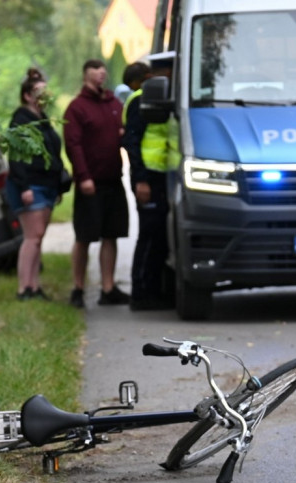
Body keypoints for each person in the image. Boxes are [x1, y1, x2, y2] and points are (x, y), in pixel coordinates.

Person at [62, 59, 130, 308]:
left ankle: (108, 287)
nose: (101, 73)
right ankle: (78, 287)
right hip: (91, 182)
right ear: (85, 74)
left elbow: (124, 133)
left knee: (110, 234)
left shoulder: (113, 104)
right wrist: (83, 175)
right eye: (95, 69)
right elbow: (73, 144)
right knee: (85, 236)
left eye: (103, 69)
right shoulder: (77, 108)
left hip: (113, 178)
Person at [122, 54, 179, 310]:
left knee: (160, 236)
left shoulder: (166, 98)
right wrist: (141, 181)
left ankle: (155, 290)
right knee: (148, 235)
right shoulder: (140, 101)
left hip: (164, 174)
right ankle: (140, 293)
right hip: (149, 177)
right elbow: (132, 143)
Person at [6, 68, 64, 300]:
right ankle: (23, 287)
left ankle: (34, 285)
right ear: (27, 95)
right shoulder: (20, 120)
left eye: (45, 91)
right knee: (32, 235)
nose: (43, 95)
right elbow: (16, 157)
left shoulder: (44, 120)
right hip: (31, 186)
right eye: (38, 91)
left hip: (48, 184)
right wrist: (24, 187)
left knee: (39, 237)